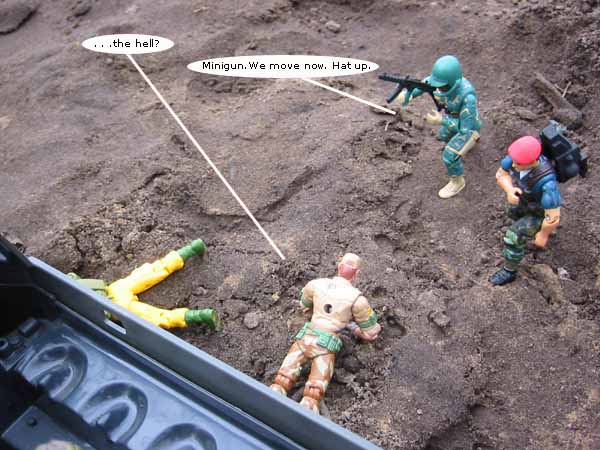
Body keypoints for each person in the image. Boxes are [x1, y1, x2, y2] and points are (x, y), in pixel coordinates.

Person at [270, 253, 381, 414]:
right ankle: (308, 406)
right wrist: (359, 331)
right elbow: (371, 331)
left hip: (306, 337)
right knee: (315, 388)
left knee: (284, 376)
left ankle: (277, 390)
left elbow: (304, 304)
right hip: (326, 345)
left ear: (339, 266)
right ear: (357, 274)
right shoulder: (357, 300)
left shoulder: (316, 284)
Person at [398, 55, 482, 198]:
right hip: (453, 119)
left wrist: (441, 120)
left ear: (453, 82)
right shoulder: (441, 83)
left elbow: (464, 129)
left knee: (449, 156)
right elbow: (425, 84)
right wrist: (410, 94)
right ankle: (461, 149)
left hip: (468, 126)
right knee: (443, 135)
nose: (438, 89)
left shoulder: (468, 98)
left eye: (442, 86)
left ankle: (457, 182)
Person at [490, 136, 561, 285]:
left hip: (540, 213)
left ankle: (509, 271)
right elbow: (501, 174)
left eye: (518, 163)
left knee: (513, 236)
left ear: (533, 161)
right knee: (511, 210)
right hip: (525, 201)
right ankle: (526, 229)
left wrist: (543, 235)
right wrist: (509, 189)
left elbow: (553, 216)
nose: (513, 165)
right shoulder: (515, 161)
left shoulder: (547, 184)